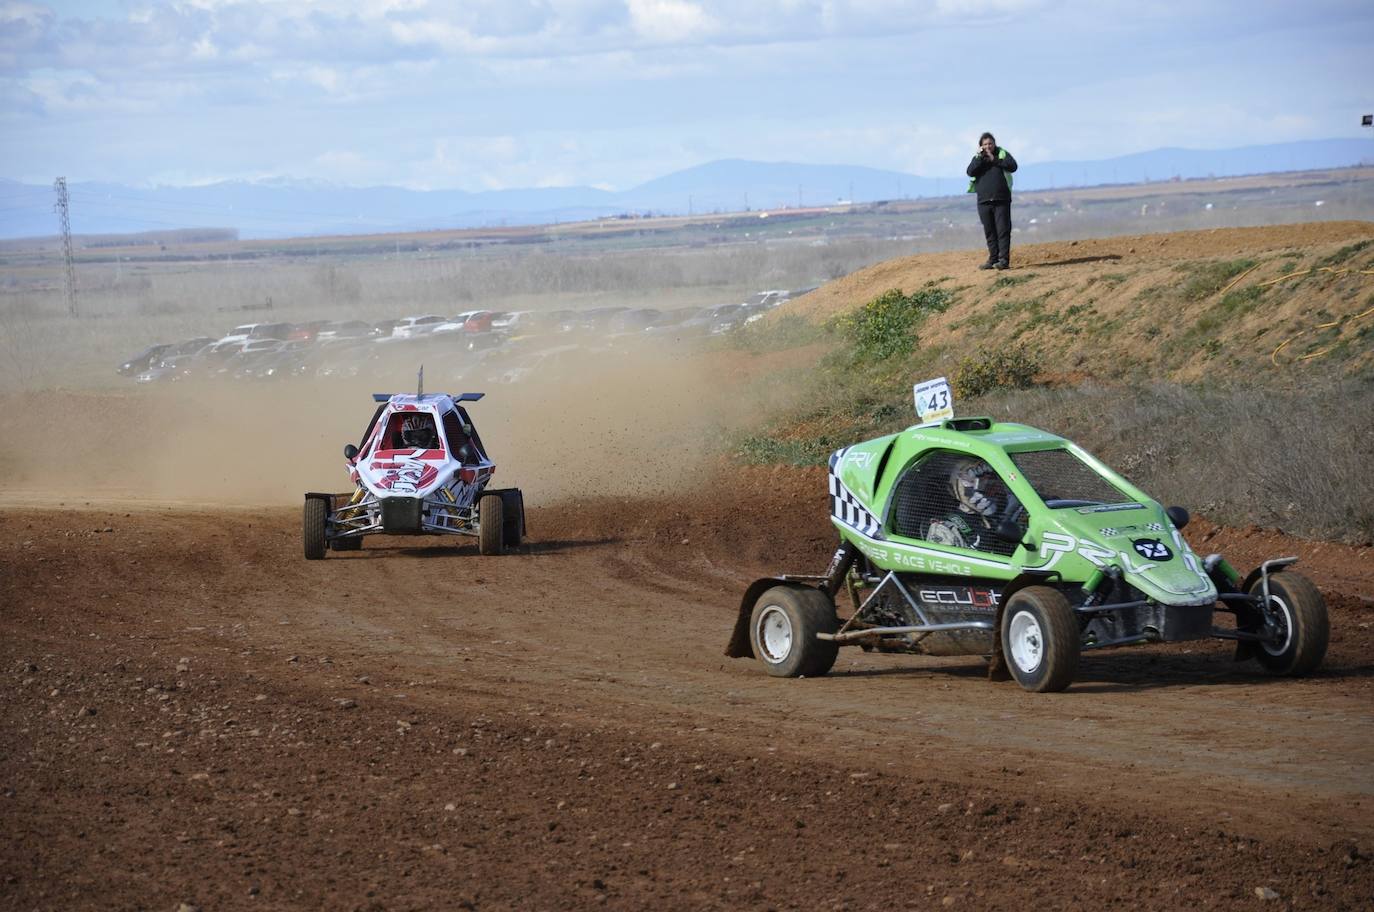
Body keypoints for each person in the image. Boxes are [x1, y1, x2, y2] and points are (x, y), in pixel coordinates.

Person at [926, 458, 1005, 550]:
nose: (985, 489)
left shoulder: (995, 520)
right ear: (955, 487)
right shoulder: (943, 528)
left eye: (990, 482)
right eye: (973, 482)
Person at [967, 132, 1017, 270]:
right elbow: (970, 171)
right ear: (981, 146)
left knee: (1003, 230)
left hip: (1001, 199)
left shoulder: (1002, 154)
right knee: (990, 231)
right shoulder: (978, 158)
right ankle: (993, 259)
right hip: (984, 201)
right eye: (985, 144)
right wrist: (980, 158)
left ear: (994, 143)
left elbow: (1013, 167)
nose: (988, 146)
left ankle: (1003, 261)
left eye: (990, 143)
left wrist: (994, 159)